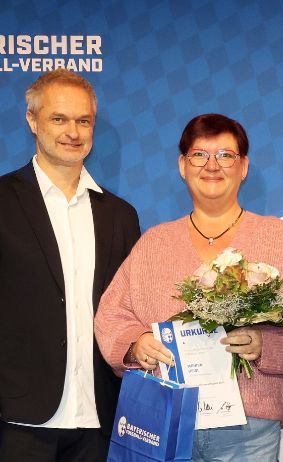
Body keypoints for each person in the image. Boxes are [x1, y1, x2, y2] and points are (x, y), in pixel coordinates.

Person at [94, 113, 283, 461]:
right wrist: (135, 344)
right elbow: (111, 314)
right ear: (182, 166)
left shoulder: (278, 239)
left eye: (225, 155)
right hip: (163, 422)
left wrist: (265, 344)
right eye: (199, 155)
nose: (212, 165)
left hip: (248, 430)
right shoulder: (154, 243)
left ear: (243, 166)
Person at [0, 69, 141, 461]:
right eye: (59, 119)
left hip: (100, 417)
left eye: (84, 120)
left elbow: (129, 309)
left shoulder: (121, 216)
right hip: (17, 419)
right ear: (32, 121)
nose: (73, 132)